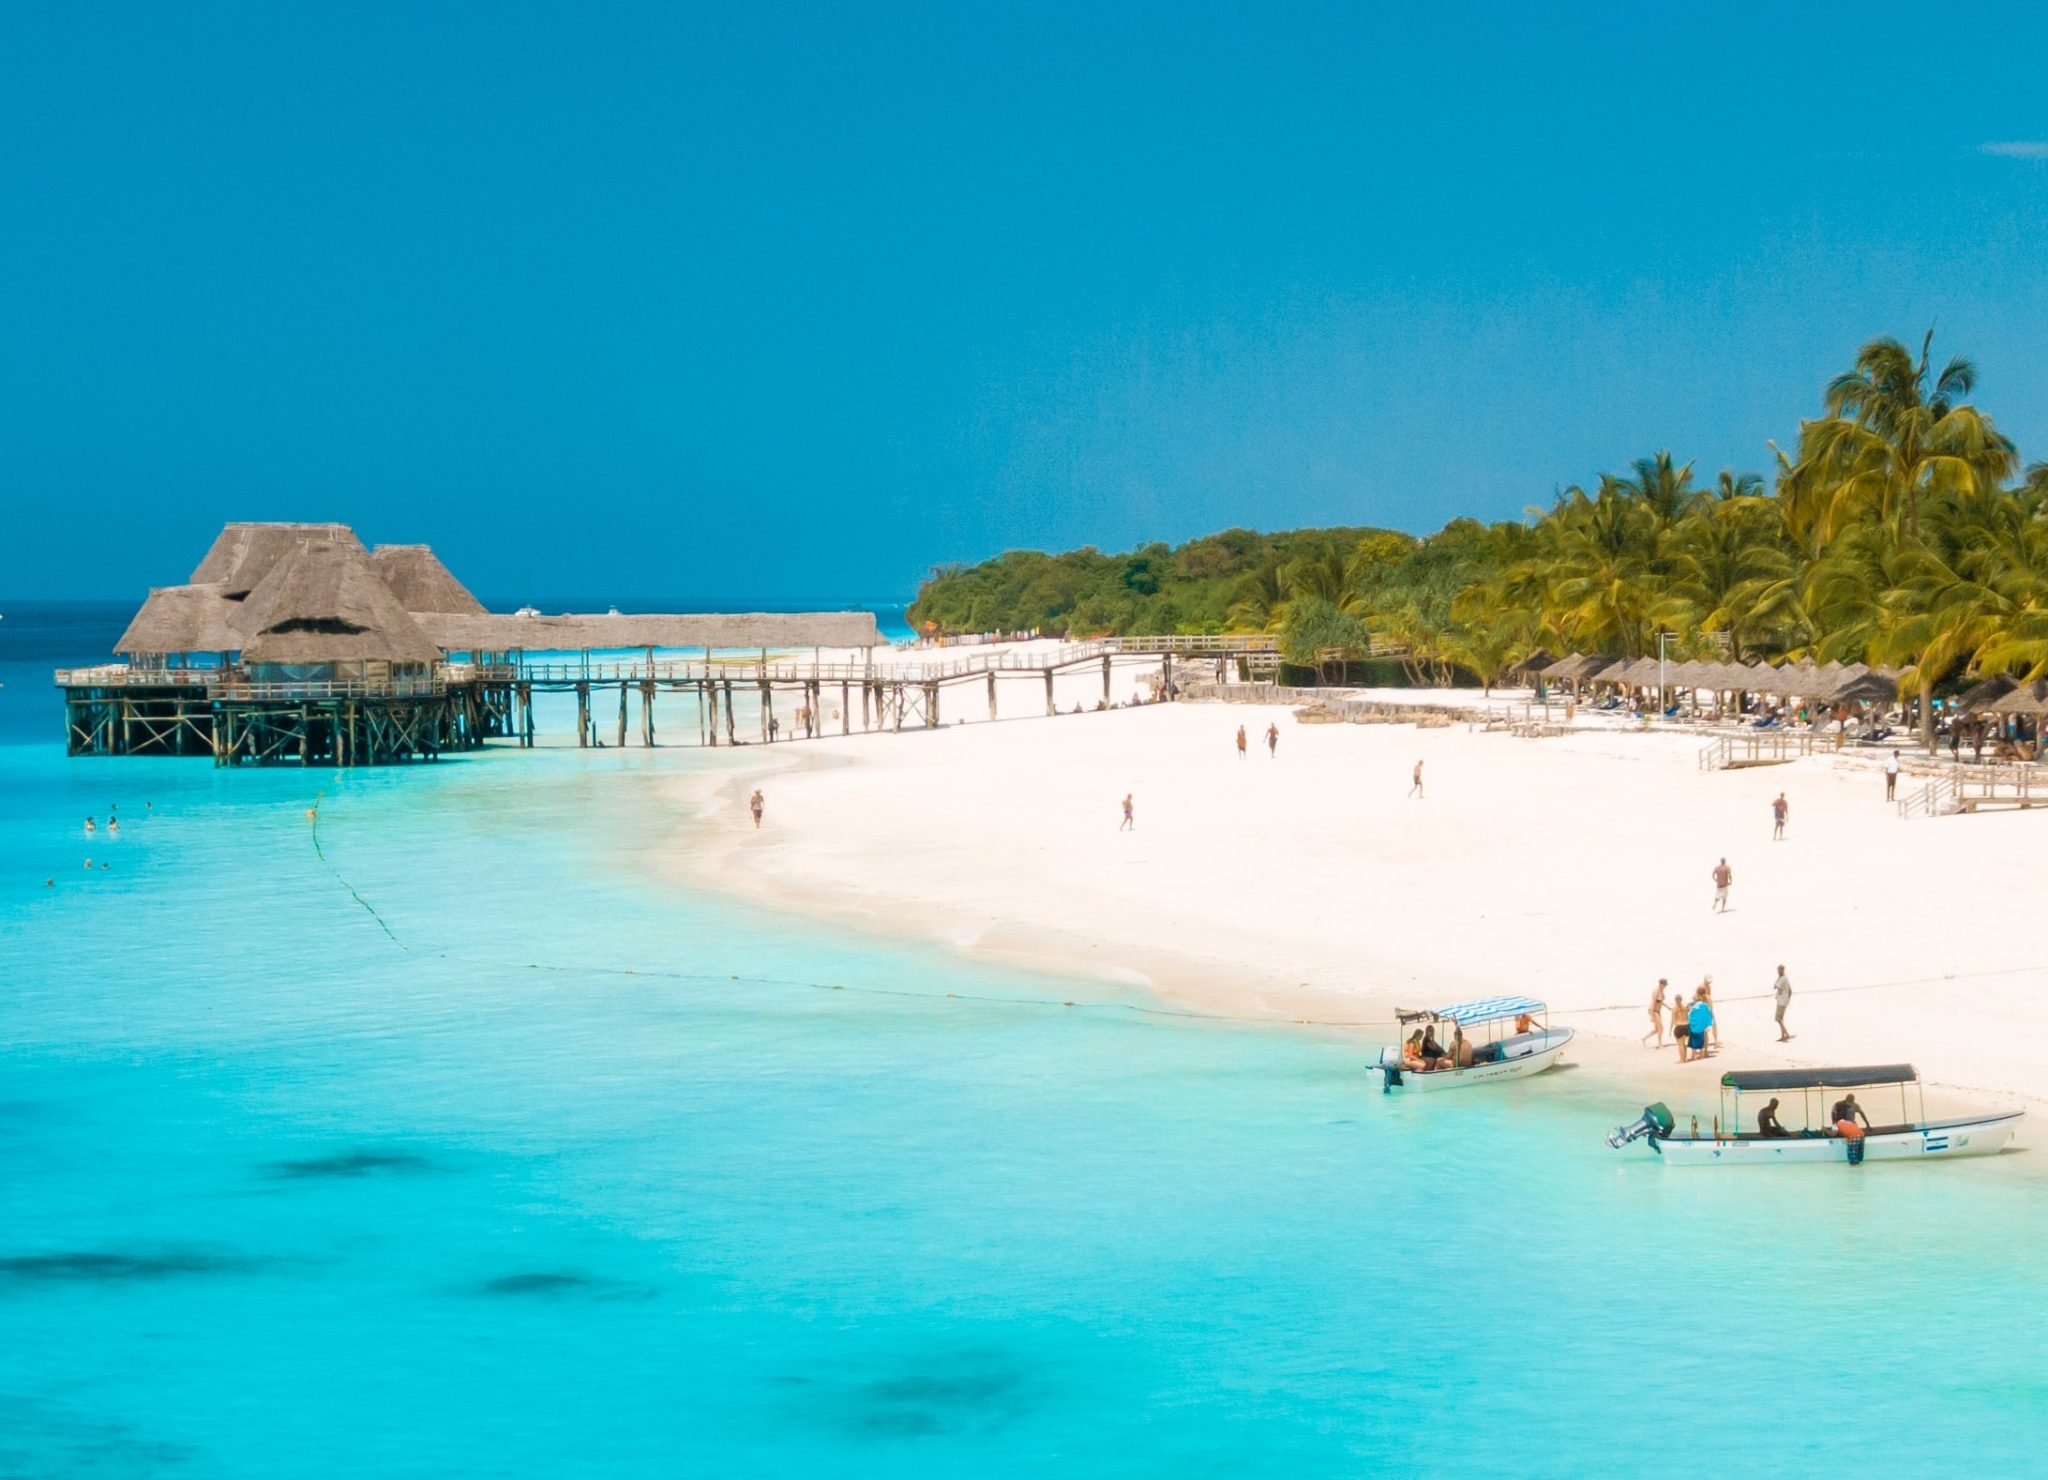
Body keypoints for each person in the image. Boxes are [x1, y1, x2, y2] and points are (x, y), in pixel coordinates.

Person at [1686, 989, 1713, 1061]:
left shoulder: (1697, 1003)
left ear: (1698, 994)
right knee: (1703, 1038)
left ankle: (1695, 1055)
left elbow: (1690, 1014)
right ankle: (1703, 1053)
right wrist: (1708, 1024)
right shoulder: (1706, 1001)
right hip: (1703, 1023)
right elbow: (1709, 1013)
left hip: (1697, 1024)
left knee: (1694, 1039)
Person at [1643, 978, 1669, 1047]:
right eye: (1664, 985)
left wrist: (1668, 1007)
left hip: (1658, 1011)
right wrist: (1651, 1016)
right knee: (1661, 1028)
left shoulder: (1661, 991)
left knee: (1657, 1029)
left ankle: (1644, 1038)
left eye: (1666, 985)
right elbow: (1653, 1003)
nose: (1665, 986)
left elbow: (1661, 1001)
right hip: (1654, 1011)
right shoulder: (1656, 991)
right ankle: (1660, 1044)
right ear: (1660, 984)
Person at [1772, 965, 1793, 1042]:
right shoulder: (1786, 978)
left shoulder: (1782, 979)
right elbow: (1790, 991)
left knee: (1778, 1019)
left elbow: (1775, 986)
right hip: (1784, 1001)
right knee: (1780, 1019)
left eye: (1779, 970)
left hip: (1781, 1002)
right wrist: (1787, 1000)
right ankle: (1784, 1035)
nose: (1778, 972)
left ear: (1781, 970)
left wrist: (1778, 977)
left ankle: (1786, 1035)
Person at [1696, 978, 1720, 1048]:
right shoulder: (1700, 986)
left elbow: (1709, 997)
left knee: (1713, 1025)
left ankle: (1716, 1042)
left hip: (1708, 1008)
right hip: (1704, 1009)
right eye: (1708, 982)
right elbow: (1696, 997)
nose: (1709, 983)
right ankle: (1703, 1044)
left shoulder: (1709, 987)